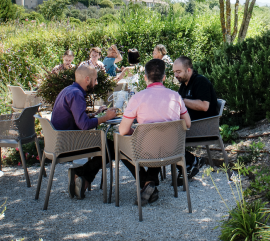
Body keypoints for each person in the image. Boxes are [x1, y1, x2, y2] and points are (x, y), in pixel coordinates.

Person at [118, 58, 192, 205]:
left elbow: (123, 130)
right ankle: (149, 183)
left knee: (119, 146)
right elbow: (187, 124)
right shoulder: (175, 96)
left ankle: (146, 182)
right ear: (164, 77)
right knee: (159, 142)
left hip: (145, 151)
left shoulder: (138, 98)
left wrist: (135, 132)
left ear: (145, 77)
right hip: (173, 150)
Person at [51, 65, 118, 198]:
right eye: (95, 79)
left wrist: (95, 114)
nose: (96, 83)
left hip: (59, 140)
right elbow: (84, 125)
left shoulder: (68, 90)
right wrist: (106, 117)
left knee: (108, 145)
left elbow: (77, 118)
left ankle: (83, 179)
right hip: (68, 144)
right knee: (111, 146)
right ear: (87, 79)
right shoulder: (77, 94)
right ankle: (80, 174)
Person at [173, 56, 218, 183]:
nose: (176, 75)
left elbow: (204, 106)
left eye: (178, 72)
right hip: (189, 125)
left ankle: (190, 163)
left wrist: (182, 101)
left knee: (168, 137)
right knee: (165, 134)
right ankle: (189, 164)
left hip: (203, 127)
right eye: (174, 72)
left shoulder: (200, 81)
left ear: (188, 70)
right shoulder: (184, 85)